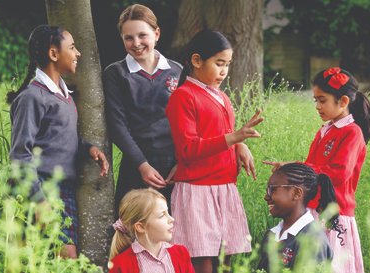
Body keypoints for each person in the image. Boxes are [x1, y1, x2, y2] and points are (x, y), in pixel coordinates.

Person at [164, 30, 263, 273]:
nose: (224, 71)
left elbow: (223, 133)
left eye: (227, 65)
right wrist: (235, 138)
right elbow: (188, 149)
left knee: (225, 261)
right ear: (196, 61)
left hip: (224, 187)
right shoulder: (183, 96)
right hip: (198, 191)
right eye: (219, 64)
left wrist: (241, 144)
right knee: (202, 261)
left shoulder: (222, 97)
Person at [7, 25, 109, 258]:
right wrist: (39, 201)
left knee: (59, 260)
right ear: (54, 54)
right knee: (63, 259)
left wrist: (88, 148)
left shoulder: (63, 94)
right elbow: (20, 155)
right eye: (72, 48)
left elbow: (58, 137)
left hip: (63, 189)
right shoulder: (33, 97)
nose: (78, 53)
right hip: (41, 187)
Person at [263, 67, 370, 272]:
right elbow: (312, 170)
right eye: (315, 100)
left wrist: (300, 167)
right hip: (313, 210)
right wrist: (291, 169)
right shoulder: (324, 131)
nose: (317, 106)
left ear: (343, 102)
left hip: (334, 214)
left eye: (322, 100)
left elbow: (339, 173)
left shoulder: (352, 132)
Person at [103, 4, 183, 209]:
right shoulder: (115, 74)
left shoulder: (177, 71)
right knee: (133, 231)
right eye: (128, 38)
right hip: (136, 168)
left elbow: (188, 121)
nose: (136, 43)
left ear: (156, 33)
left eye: (142, 35)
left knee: (173, 231)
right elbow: (117, 125)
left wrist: (182, 164)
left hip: (176, 170)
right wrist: (142, 165)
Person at [257, 163, 335, 272]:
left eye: (273, 190)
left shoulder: (313, 241)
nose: (266, 197)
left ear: (296, 193)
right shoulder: (271, 234)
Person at [108, 188, 195, 273]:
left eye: (168, 212)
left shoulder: (181, 254)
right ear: (141, 227)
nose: (171, 219)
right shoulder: (121, 265)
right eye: (162, 215)